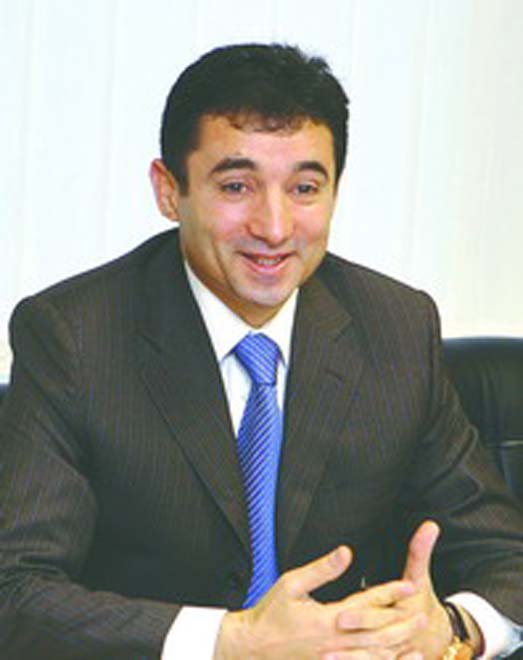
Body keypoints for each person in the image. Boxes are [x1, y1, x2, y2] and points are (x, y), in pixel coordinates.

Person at [0, 43, 522, 660]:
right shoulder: (73, 336)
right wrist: (232, 641)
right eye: (236, 186)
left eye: (305, 187)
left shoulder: (395, 327)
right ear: (168, 190)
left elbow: (505, 556)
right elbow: (17, 592)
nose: (274, 227)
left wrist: (453, 630)